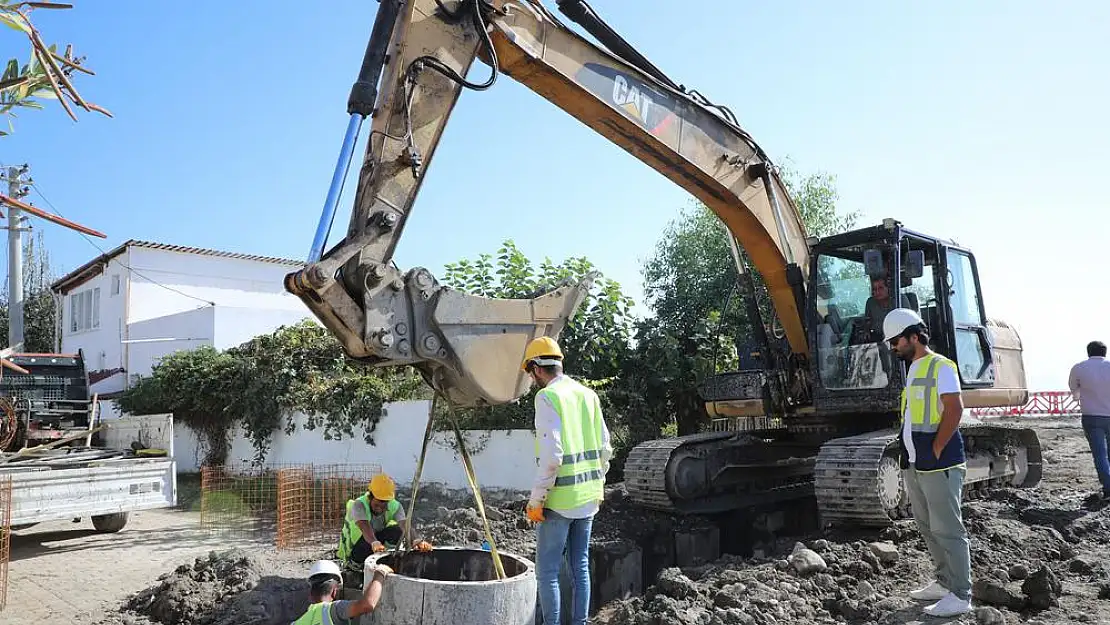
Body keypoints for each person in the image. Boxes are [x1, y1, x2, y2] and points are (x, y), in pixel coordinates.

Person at [883, 308, 971, 618]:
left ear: (914, 337)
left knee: (948, 528)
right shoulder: (913, 369)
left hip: (938, 462)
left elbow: (954, 410)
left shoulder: (940, 366)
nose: (892, 347)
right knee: (927, 526)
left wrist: (935, 448)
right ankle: (944, 581)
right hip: (915, 462)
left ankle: (961, 594)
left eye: (895, 340)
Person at [521, 336, 613, 625]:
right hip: (589, 498)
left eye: (530, 372)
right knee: (580, 567)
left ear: (536, 368)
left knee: (547, 572)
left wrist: (536, 501)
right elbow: (605, 448)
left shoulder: (547, 396)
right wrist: (598, 485)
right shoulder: (588, 395)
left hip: (559, 501)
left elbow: (552, 457)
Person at [337, 473, 432, 572]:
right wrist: (374, 542)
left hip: (375, 542)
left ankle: (389, 560)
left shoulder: (395, 506)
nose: (381, 508)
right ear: (370, 496)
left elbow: (404, 525)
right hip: (354, 549)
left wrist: (416, 540)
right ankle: (356, 566)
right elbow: (364, 526)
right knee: (368, 540)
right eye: (378, 503)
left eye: (384, 503)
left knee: (397, 531)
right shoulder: (359, 505)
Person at [1068, 340, 1110, 500]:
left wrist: (1080, 395)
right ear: (1104, 352)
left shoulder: (1079, 368)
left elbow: (1074, 390)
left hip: (1092, 416)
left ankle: (1108, 488)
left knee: (1100, 455)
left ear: (1088, 352)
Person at [292, 559, 392, 624]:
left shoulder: (297, 623)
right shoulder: (335, 609)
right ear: (334, 592)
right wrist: (379, 574)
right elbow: (368, 604)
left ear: (310, 594)